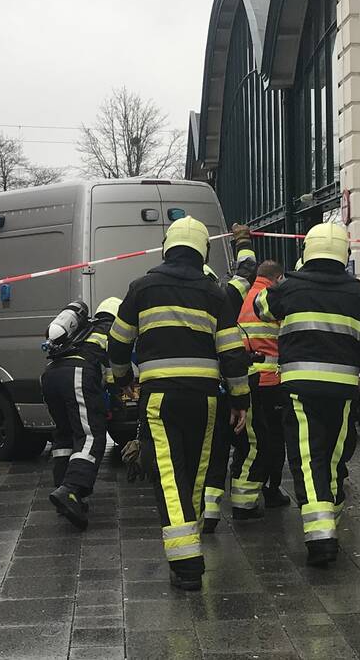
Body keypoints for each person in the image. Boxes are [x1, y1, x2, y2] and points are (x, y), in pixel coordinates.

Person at [108, 216, 250, 590]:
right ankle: (192, 541)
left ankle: (186, 563)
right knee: (198, 471)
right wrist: (240, 399)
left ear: (167, 246)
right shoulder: (216, 292)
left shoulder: (142, 287)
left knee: (170, 473)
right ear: (203, 249)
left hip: (159, 397)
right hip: (206, 398)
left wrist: (123, 380)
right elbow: (233, 352)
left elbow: (118, 342)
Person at [254, 223, 360, 566]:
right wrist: (355, 367)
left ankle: (321, 536)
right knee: (331, 457)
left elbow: (260, 307)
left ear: (307, 251)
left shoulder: (289, 288)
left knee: (307, 457)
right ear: (343, 253)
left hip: (299, 388)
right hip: (343, 388)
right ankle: (330, 515)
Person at [42, 297, 120, 530]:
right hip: (77, 373)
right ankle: (72, 490)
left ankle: (62, 491)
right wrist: (116, 403)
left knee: (65, 435)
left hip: (50, 375)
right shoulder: (110, 332)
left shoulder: (86, 329)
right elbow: (113, 373)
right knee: (91, 435)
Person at [201, 224, 259, 534]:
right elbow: (247, 270)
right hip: (223, 384)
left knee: (207, 450)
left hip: (196, 387)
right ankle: (231, 505)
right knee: (229, 446)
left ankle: (207, 512)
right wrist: (243, 240)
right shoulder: (223, 296)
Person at [238, 259, 291, 511]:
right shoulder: (272, 299)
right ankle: (272, 489)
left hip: (248, 379)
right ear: (278, 278)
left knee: (255, 438)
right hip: (272, 379)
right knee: (275, 439)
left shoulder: (246, 297)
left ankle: (252, 487)